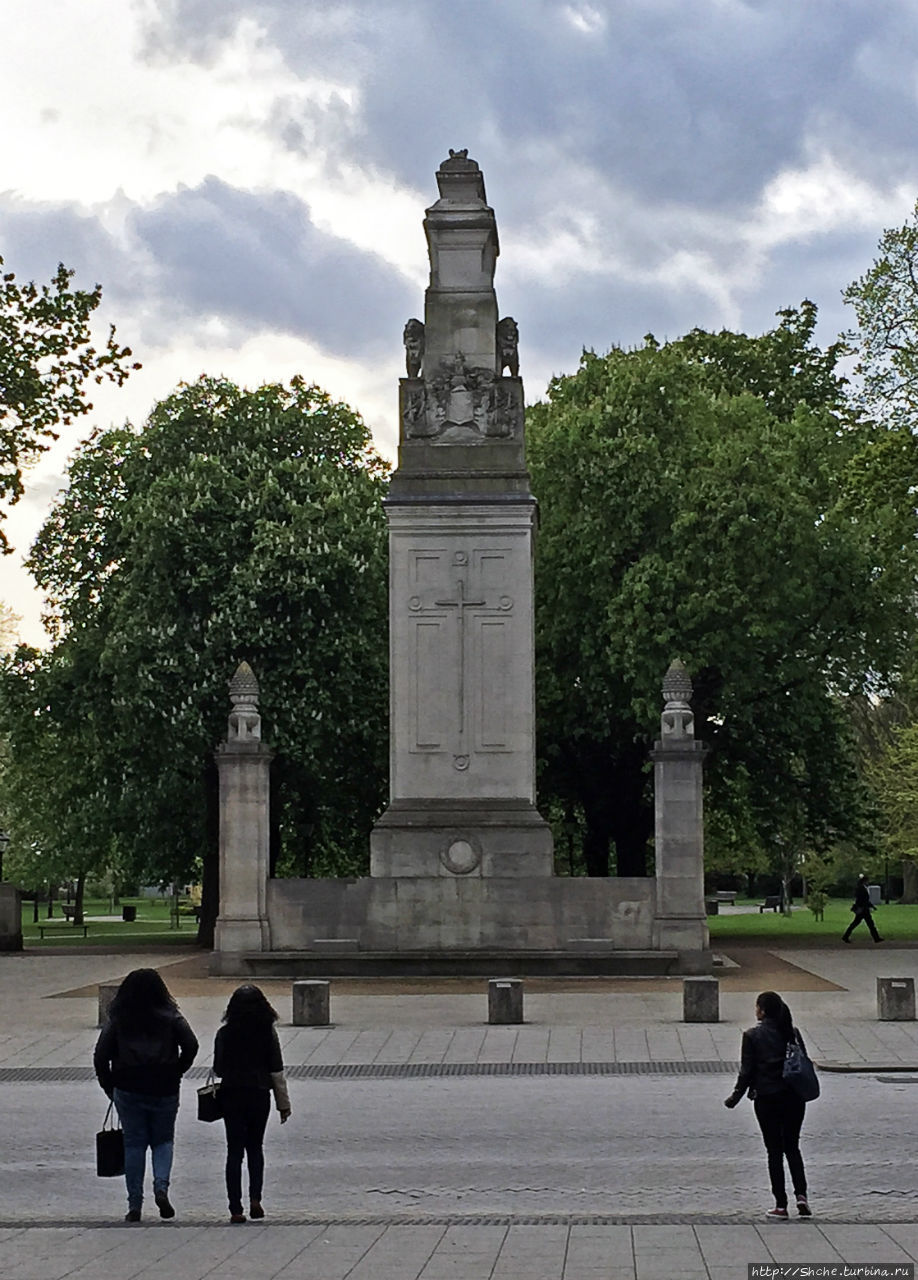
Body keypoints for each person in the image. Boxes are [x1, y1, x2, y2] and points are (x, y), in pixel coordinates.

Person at [93, 968, 199, 1222]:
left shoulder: (119, 1019)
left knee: (134, 1143)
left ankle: (135, 1203)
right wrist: (177, 1070)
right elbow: (192, 1045)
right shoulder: (171, 1016)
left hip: (128, 1085)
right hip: (164, 1084)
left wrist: (110, 1085)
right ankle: (161, 1187)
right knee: (163, 1141)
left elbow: (100, 1055)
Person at [724, 990, 811, 1220]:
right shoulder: (792, 1032)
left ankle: (781, 1205)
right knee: (792, 1147)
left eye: (757, 1007)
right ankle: (802, 1196)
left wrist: (735, 1097)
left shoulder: (752, 1036)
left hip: (767, 1098)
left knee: (774, 1152)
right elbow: (802, 1061)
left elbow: (747, 1071)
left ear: (761, 1010)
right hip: (794, 1097)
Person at [213, 984, 291, 1223]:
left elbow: (218, 1068)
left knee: (234, 1151)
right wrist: (283, 1103)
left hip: (232, 1092)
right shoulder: (267, 1033)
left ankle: (235, 1207)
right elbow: (276, 1069)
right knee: (255, 1147)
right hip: (259, 1092)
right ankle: (256, 1198)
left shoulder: (225, 1034)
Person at [843, 872, 883, 943]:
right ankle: (876, 938)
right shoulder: (861, 889)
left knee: (859, 923)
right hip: (863, 909)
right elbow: (862, 900)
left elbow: (864, 899)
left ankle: (846, 936)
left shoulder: (861, 888)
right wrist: (868, 906)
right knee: (868, 924)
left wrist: (871, 906)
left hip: (863, 909)